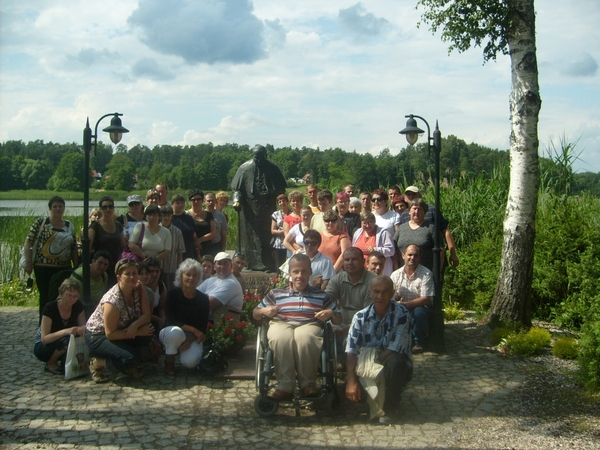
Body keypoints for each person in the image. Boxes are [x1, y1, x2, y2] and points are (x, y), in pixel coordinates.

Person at [252, 254, 341, 400]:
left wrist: (331, 313)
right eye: (296, 271)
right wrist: (263, 311)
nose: (300, 275)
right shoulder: (276, 293)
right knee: (281, 338)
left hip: (309, 324)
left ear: (310, 272)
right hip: (281, 323)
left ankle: (308, 384)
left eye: (304, 271)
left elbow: (338, 319)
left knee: (305, 338)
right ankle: (285, 386)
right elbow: (255, 313)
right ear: (290, 273)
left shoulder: (321, 295)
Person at [346, 275, 413, 424]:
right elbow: (351, 349)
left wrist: (374, 366)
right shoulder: (360, 317)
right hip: (365, 365)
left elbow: (395, 348)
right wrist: (351, 380)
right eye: (376, 291)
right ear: (369, 292)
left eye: (385, 291)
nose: (380, 296)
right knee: (356, 389)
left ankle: (390, 407)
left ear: (392, 293)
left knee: (396, 362)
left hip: (390, 363)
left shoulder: (402, 314)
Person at [85, 259, 154, 383]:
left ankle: (128, 359)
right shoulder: (112, 300)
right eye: (127, 274)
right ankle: (97, 362)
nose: (132, 277)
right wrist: (137, 332)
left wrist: (135, 325)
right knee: (130, 359)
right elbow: (110, 334)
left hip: (124, 328)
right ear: (119, 277)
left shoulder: (138, 287)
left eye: (134, 273)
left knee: (147, 334)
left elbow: (146, 315)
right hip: (99, 336)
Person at [231, 144, 287, 272]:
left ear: (265, 156)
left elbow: (281, 190)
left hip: (268, 209)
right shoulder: (244, 168)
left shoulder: (273, 168)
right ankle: (250, 262)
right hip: (249, 210)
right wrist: (236, 200)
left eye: (261, 157)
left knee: (267, 236)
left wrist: (273, 193)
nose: (258, 160)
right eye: (256, 157)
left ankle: (268, 263)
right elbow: (237, 189)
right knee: (250, 237)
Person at [24, 196, 78, 321]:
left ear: (64, 208)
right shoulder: (41, 222)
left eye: (60, 206)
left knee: (61, 296)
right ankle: (43, 325)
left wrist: (75, 266)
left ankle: (58, 323)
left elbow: (73, 247)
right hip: (43, 267)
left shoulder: (69, 225)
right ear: (50, 209)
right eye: (55, 206)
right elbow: (28, 242)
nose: (58, 209)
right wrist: (28, 263)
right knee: (45, 296)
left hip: (63, 268)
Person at [160, 259, 210, 375]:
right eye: (188, 274)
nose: (191, 278)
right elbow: (170, 320)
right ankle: (170, 358)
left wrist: (190, 340)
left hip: (192, 336)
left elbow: (202, 326)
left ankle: (182, 352)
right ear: (181, 276)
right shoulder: (172, 294)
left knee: (190, 362)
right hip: (171, 331)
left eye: (194, 275)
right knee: (176, 333)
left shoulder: (203, 299)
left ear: (198, 278)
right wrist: (193, 329)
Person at [34, 279, 85, 375]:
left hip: (66, 342)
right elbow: (44, 339)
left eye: (75, 296)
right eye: (69, 295)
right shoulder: (50, 308)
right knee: (66, 339)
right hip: (44, 346)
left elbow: (83, 324)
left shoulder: (78, 306)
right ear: (61, 293)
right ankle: (51, 363)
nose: (72, 299)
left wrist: (82, 329)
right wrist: (66, 331)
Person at [325, 247, 375, 344]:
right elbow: (325, 300)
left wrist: (345, 330)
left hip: (365, 326)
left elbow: (369, 316)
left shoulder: (373, 282)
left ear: (363, 261)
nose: (350, 263)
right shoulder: (337, 279)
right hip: (340, 323)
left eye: (354, 259)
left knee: (349, 342)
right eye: (347, 260)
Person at [401, 185, 459, 268]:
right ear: (405, 198)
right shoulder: (404, 215)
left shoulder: (432, 210)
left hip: (433, 260)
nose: (411, 196)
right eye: (408, 195)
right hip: (412, 262)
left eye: (413, 194)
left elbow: (445, 231)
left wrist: (453, 253)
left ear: (420, 195)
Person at [390, 244, 434, 353]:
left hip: (420, 307)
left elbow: (426, 299)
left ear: (419, 257)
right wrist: (399, 305)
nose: (412, 258)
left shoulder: (426, 274)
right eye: (409, 255)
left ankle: (418, 342)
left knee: (419, 312)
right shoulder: (395, 275)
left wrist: (406, 304)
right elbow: (392, 297)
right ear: (403, 255)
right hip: (401, 306)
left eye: (415, 255)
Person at [394, 199, 442, 272]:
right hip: (403, 273)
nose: (416, 212)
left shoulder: (431, 228)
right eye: (414, 209)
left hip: (426, 273)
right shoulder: (402, 228)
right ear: (409, 211)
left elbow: (441, 250)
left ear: (425, 212)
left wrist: (438, 271)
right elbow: (394, 249)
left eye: (420, 209)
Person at [197, 252, 244, 325]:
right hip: (208, 324)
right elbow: (193, 294)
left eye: (226, 263)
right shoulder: (211, 281)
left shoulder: (231, 283)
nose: (222, 266)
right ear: (214, 266)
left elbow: (209, 305)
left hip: (221, 329)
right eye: (219, 263)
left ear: (231, 266)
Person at [89, 196, 125, 288]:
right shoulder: (95, 226)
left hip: (115, 265)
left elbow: (123, 246)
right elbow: (88, 247)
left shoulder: (118, 225)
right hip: (100, 266)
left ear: (113, 208)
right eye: (105, 207)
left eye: (110, 206)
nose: (108, 209)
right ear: (101, 209)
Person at [351, 212, 395, 276]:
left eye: (370, 223)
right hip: (360, 271)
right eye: (364, 223)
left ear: (374, 222)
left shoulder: (383, 233)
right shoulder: (357, 232)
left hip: (377, 271)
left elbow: (391, 251)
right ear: (361, 223)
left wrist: (375, 250)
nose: (367, 225)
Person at [70, 250, 110, 319]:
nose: (102, 266)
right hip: (76, 307)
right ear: (93, 261)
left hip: (96, 308)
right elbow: (75, 298)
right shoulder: (80, 275)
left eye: (105, 264)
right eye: (100, 263)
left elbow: (102, 296)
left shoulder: (104, 276)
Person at [159, 206, 185, 290]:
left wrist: (179, 269)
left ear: (171, 216)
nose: (166, 218)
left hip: (171, 269)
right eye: (164, 215)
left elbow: (180, 252)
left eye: (168, 215)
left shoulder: (177, 232)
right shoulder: (155, 229)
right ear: (160, 216)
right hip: (157, 268)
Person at [138, 257, 167, 333]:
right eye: (152, 271)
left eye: (157, 271)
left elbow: (162, 307)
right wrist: (158, 320)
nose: (155, 274)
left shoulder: (161, 286)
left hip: (154, 317)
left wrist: (163, 320)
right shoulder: (138, 287)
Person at [187, 189, 216, 258]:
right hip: (191, 249)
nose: (196, 201)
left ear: (202, 200)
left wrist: (200, 240)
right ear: (190, 201)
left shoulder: (209, 215)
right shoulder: (186, 215)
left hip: (207, 249)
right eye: (193, 200)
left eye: (198, 199)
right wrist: (195, 242)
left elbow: (213, 232)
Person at [171, 194, 197, 261]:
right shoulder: (170, 219)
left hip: (189, 251)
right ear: (172, 205)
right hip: (174, 252)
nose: (180, 205)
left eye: (182, 203)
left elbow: (194, 235)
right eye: (177, 203)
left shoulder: (189, 218)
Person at [271, 193, 291, 269]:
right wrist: (283, 232)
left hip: (290, 243)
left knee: (290, 265)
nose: (282, 203)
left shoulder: (292, 213)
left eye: (283, 201)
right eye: (280, 202)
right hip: (279, 244)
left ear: (287, 202)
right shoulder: (275, 214)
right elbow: (273, 230)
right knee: (279, 266)